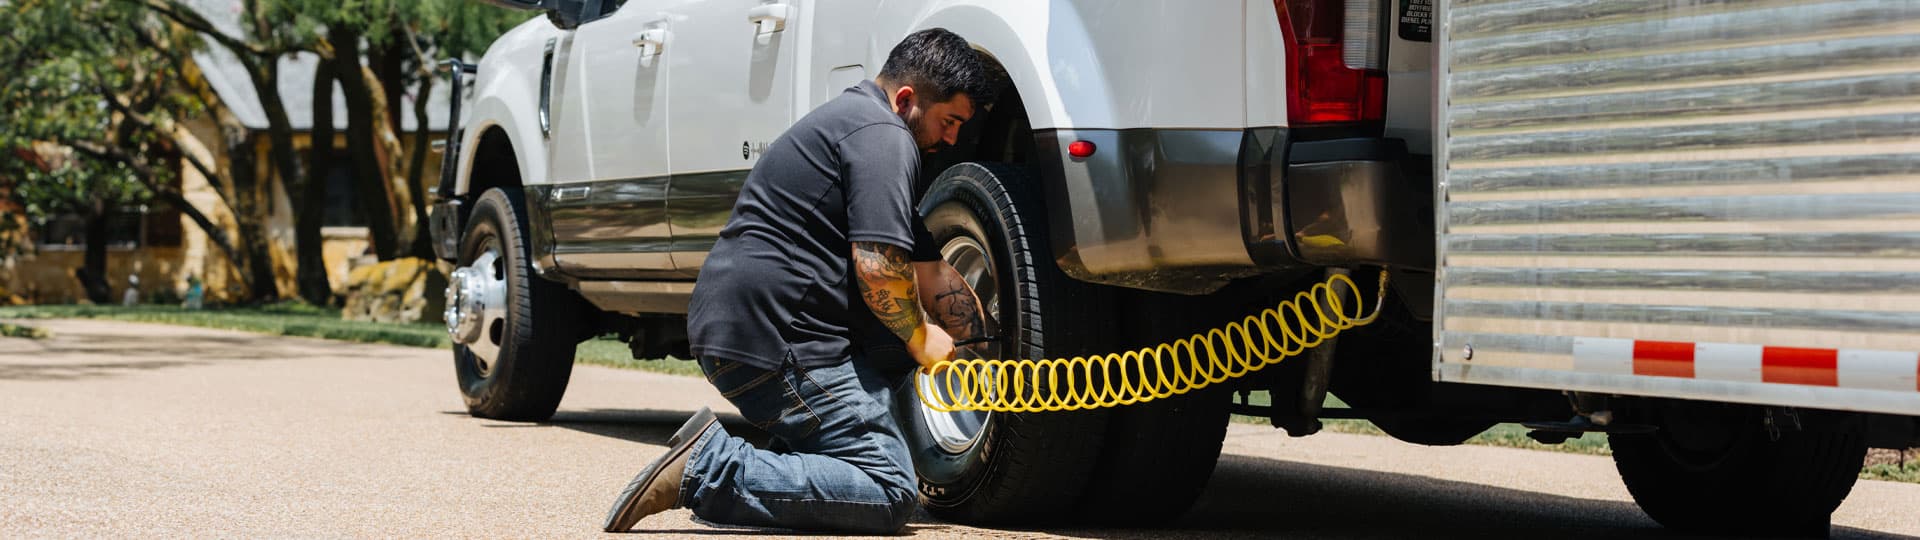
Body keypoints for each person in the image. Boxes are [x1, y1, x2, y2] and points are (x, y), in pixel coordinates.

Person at [602, 28, 997, 534]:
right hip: (777, 338)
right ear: (907, 99)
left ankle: (777, 472)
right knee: (888, 488)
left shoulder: (854, 123)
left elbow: (931, 271)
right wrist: (921, 337)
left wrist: (987, 347)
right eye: (950, 121)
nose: (953, 138)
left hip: (745, 325)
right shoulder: (885, 139)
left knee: (888, 357)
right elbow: (878, 266)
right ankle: (710, 471)